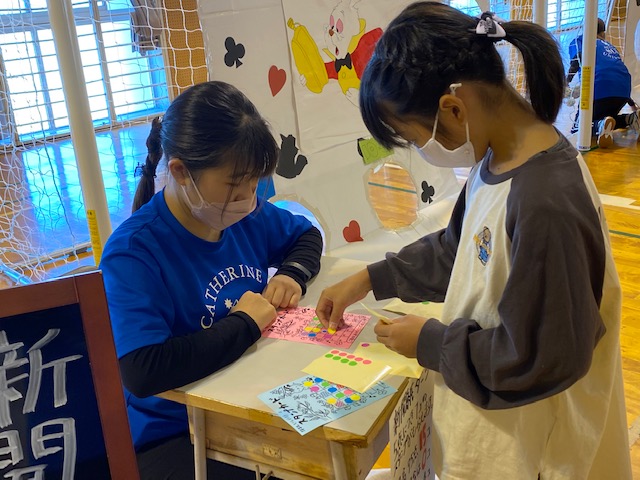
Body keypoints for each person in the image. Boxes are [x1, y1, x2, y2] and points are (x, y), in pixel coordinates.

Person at [316, 3, 631, 479]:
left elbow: (540, 358)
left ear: (453, 108)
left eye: (414, 138)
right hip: (496, 426)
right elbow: (457, 250)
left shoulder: (545, 200)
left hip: (535, 449)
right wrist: (369, 278)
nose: (421, 150)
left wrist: (431, 342)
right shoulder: (497, 159)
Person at [100, 81, 323, 479]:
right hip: (175, 433)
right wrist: (244, 324)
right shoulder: (134, 252)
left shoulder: (246, 215)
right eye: (236, 185)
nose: (249, 198)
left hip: (255, 403)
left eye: (255, 183)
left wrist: (292, 274)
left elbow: (306, 236)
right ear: (181, 172)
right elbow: (143, 370)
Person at [567, 17, 637, 148]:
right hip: (623, 92)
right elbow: (614, 74)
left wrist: (566, 82)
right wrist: (632, 104)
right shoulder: (610, 47)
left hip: (599, 90)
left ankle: (599, 125)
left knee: (578, 129)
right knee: (608, 118)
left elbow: (577, 60)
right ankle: (630, 119)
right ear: (603, 34)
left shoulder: (579, 41)